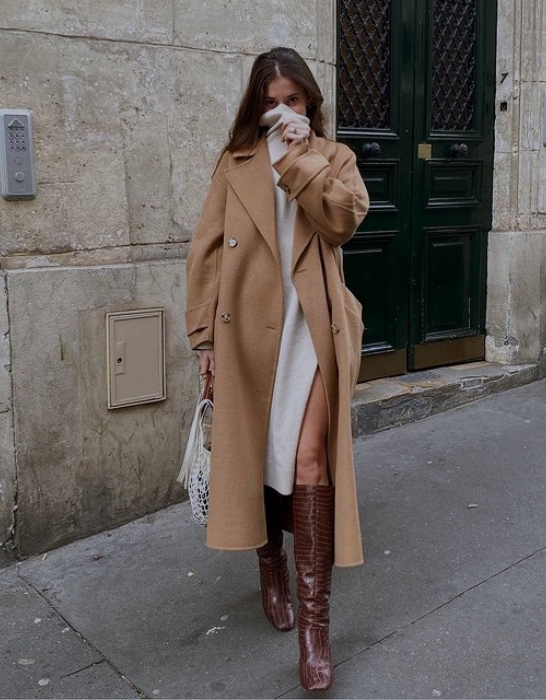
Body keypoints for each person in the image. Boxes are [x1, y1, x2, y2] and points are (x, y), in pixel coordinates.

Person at [185, 47, 369, 691]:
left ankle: (316, 630)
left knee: (310, 458)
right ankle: (271, 565)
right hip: (245, 334)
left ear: (310, 104)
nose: (282, 111)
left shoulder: (332, 157)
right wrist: (204, 339)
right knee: (263, 455)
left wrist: (300, 157)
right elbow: (206, 253)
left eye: (294, 100)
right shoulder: (233, 164)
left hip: (313, 330)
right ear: (255, 104)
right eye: (272, 100)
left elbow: (344, 221)